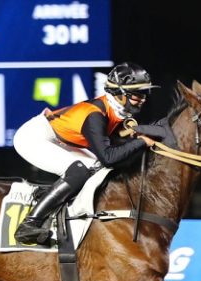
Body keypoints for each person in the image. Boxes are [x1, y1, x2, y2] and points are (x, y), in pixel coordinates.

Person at [12, 62, 167, 245]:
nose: (143, 99)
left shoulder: (116, 110)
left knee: (99, 171)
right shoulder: (95, 115)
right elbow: (109, 158)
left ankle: (56, 201)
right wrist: (141, 142)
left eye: (145, 93)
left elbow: (115, 151)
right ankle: (29, 225)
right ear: (120, 94)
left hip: (59, 138)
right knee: (79, 171)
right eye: (137, 94)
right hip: (33, 137)